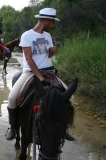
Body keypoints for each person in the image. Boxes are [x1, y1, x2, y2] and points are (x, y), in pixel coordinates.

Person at [5, 8, 75, 141]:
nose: (53, 26)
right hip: (30, 72)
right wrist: (39, 76)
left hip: (48, 71)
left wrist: (52, 52)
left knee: (71, 99)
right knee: (12, 98)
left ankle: (64, 128)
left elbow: (46, 55)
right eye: (52, 22)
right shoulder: (27, 35)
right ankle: (13, 127)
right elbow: (29, 59)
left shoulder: (47, 36)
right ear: (46, 21)